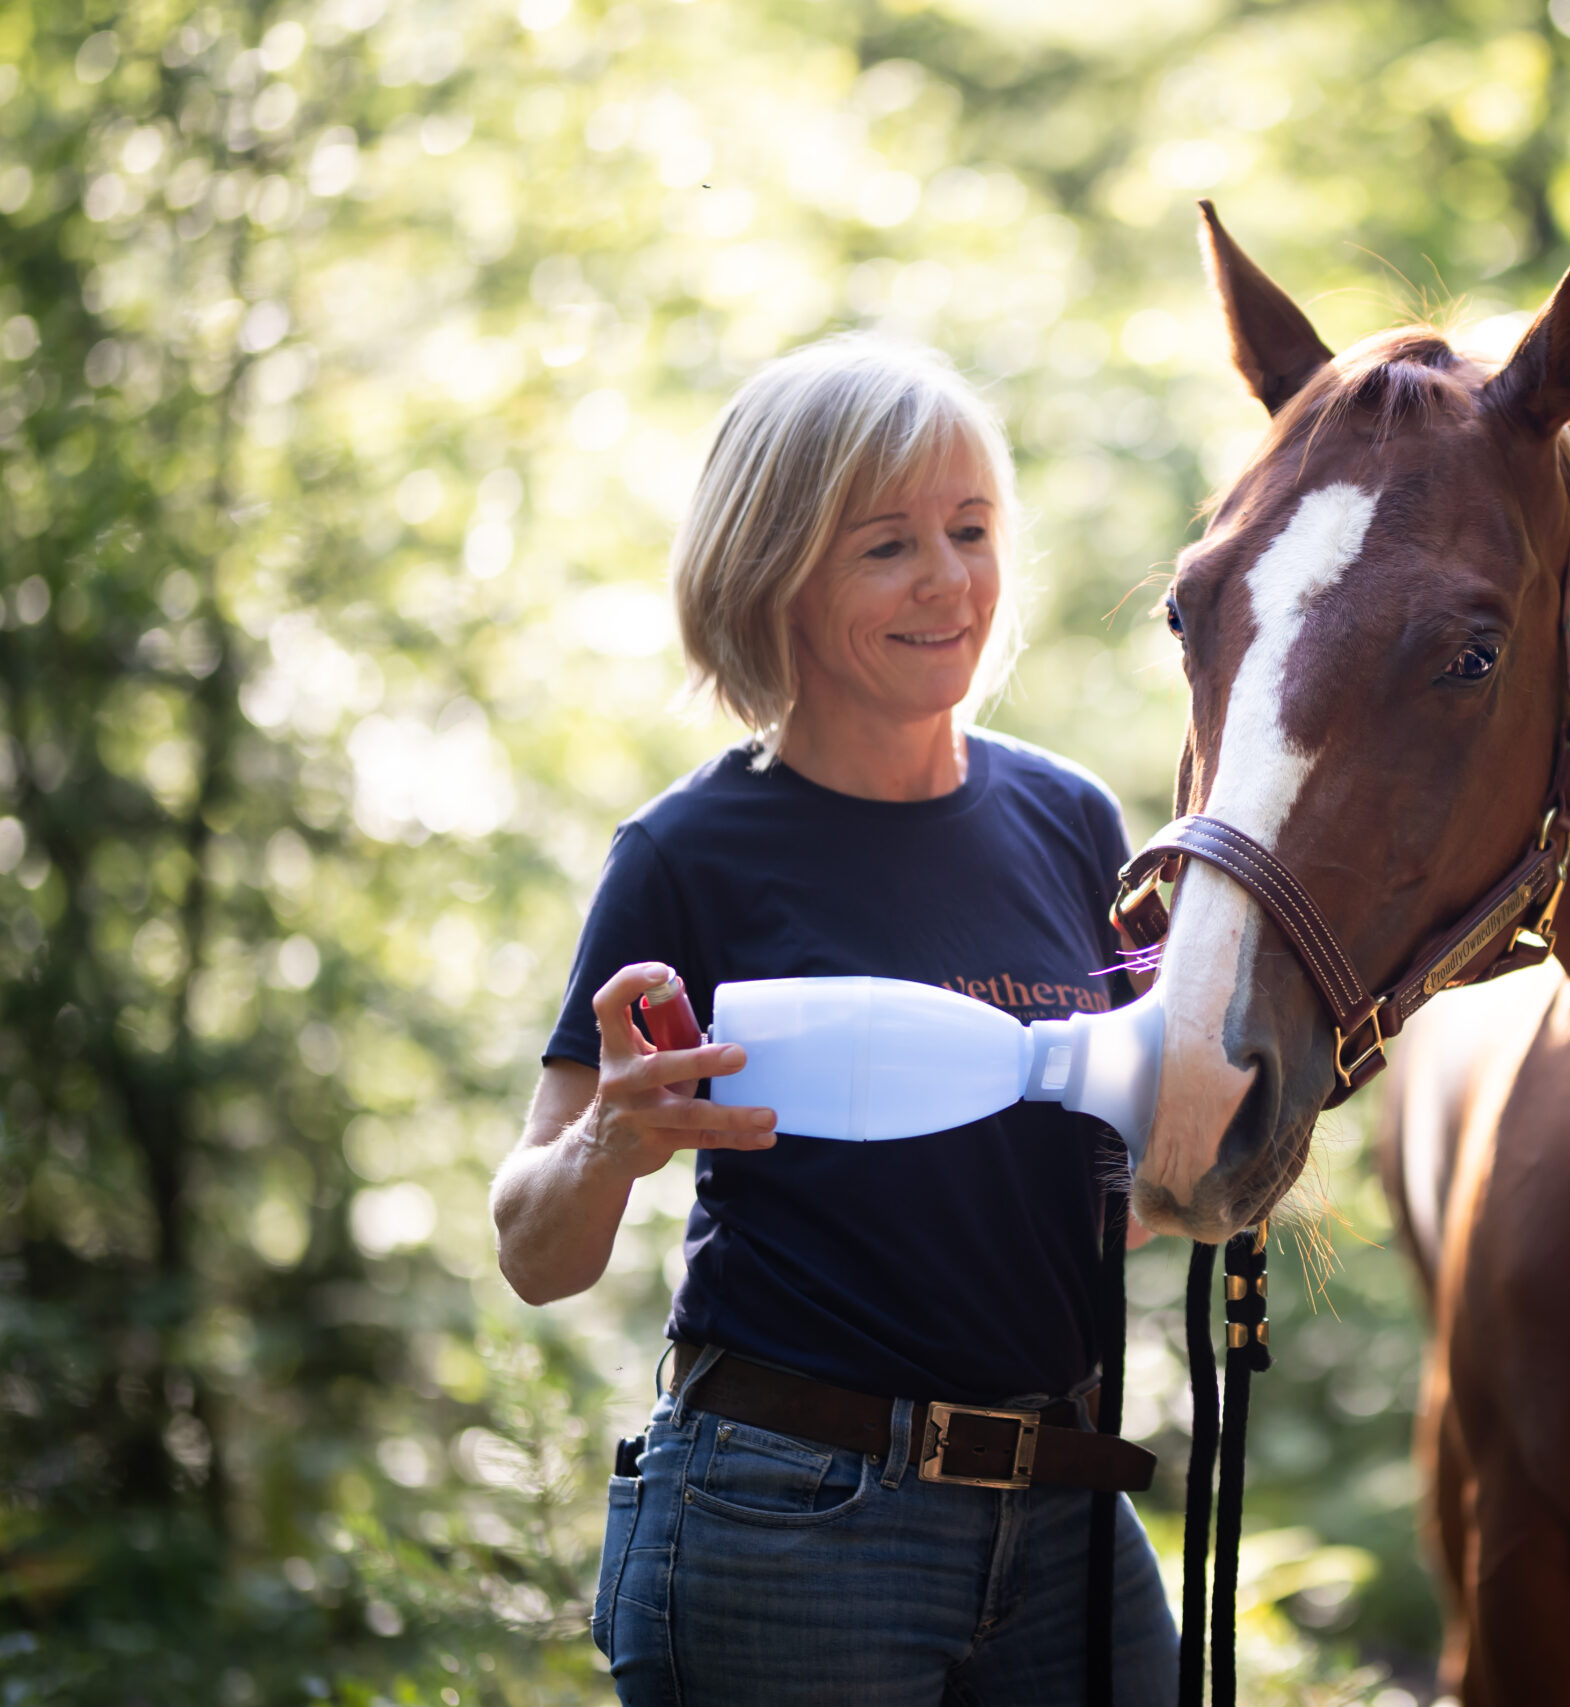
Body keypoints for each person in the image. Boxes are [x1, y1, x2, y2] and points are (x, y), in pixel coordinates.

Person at [489, 332, 1176, 1706]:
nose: (949, 580)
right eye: (886, 546)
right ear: (774, 572)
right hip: (792, 1527)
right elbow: (534, 1254)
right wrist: (611, 1144)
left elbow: (1126, 1201)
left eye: (972, 530)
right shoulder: (690, 853)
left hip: (1066, 1511)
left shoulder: (1073, 821)